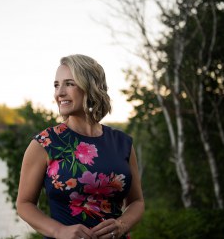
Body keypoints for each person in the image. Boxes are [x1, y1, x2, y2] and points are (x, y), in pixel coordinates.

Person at [16, 54, 144, 239]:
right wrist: (59, 231)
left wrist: (121, 225)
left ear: (90, 87)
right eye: (56, 85)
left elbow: (137, 201)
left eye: (69, 83)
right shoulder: (45, 143)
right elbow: (24, 204)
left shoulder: (122, 143)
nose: (59, 93)